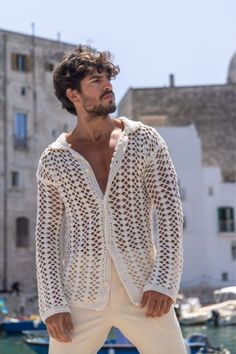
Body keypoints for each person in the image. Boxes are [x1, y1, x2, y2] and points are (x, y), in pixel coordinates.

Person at [35, 44, 187, 354]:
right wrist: (52, 303)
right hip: (80, 296)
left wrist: (164, 281)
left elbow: (171, 213)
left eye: (108, 78)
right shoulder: (54, 160)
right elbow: (47, 237)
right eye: (96, 81)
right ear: (73, 95)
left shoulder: (144, 140)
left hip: (145, 290)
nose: (108, 86)